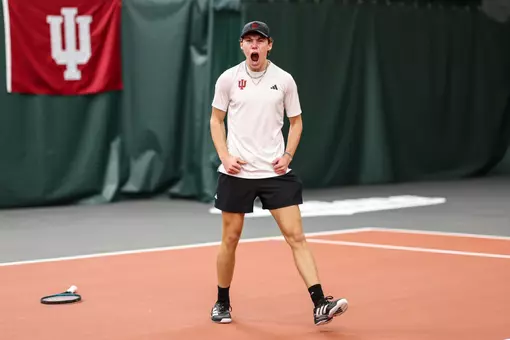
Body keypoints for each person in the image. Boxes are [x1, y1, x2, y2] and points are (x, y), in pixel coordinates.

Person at [208, 20, 348, 326]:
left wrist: (287, 155)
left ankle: (319, 303)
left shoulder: (284, 80)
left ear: (269, 45)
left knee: (296, 236)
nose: (254, 45)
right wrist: (225, 156)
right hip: (237, 173)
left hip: (275, 173)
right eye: (249, 40)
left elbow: (296, 122)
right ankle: (222, 301)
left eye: (260, 40)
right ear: (241, 46)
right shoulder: (228, 79)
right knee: (229, 239)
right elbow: (216, 120)